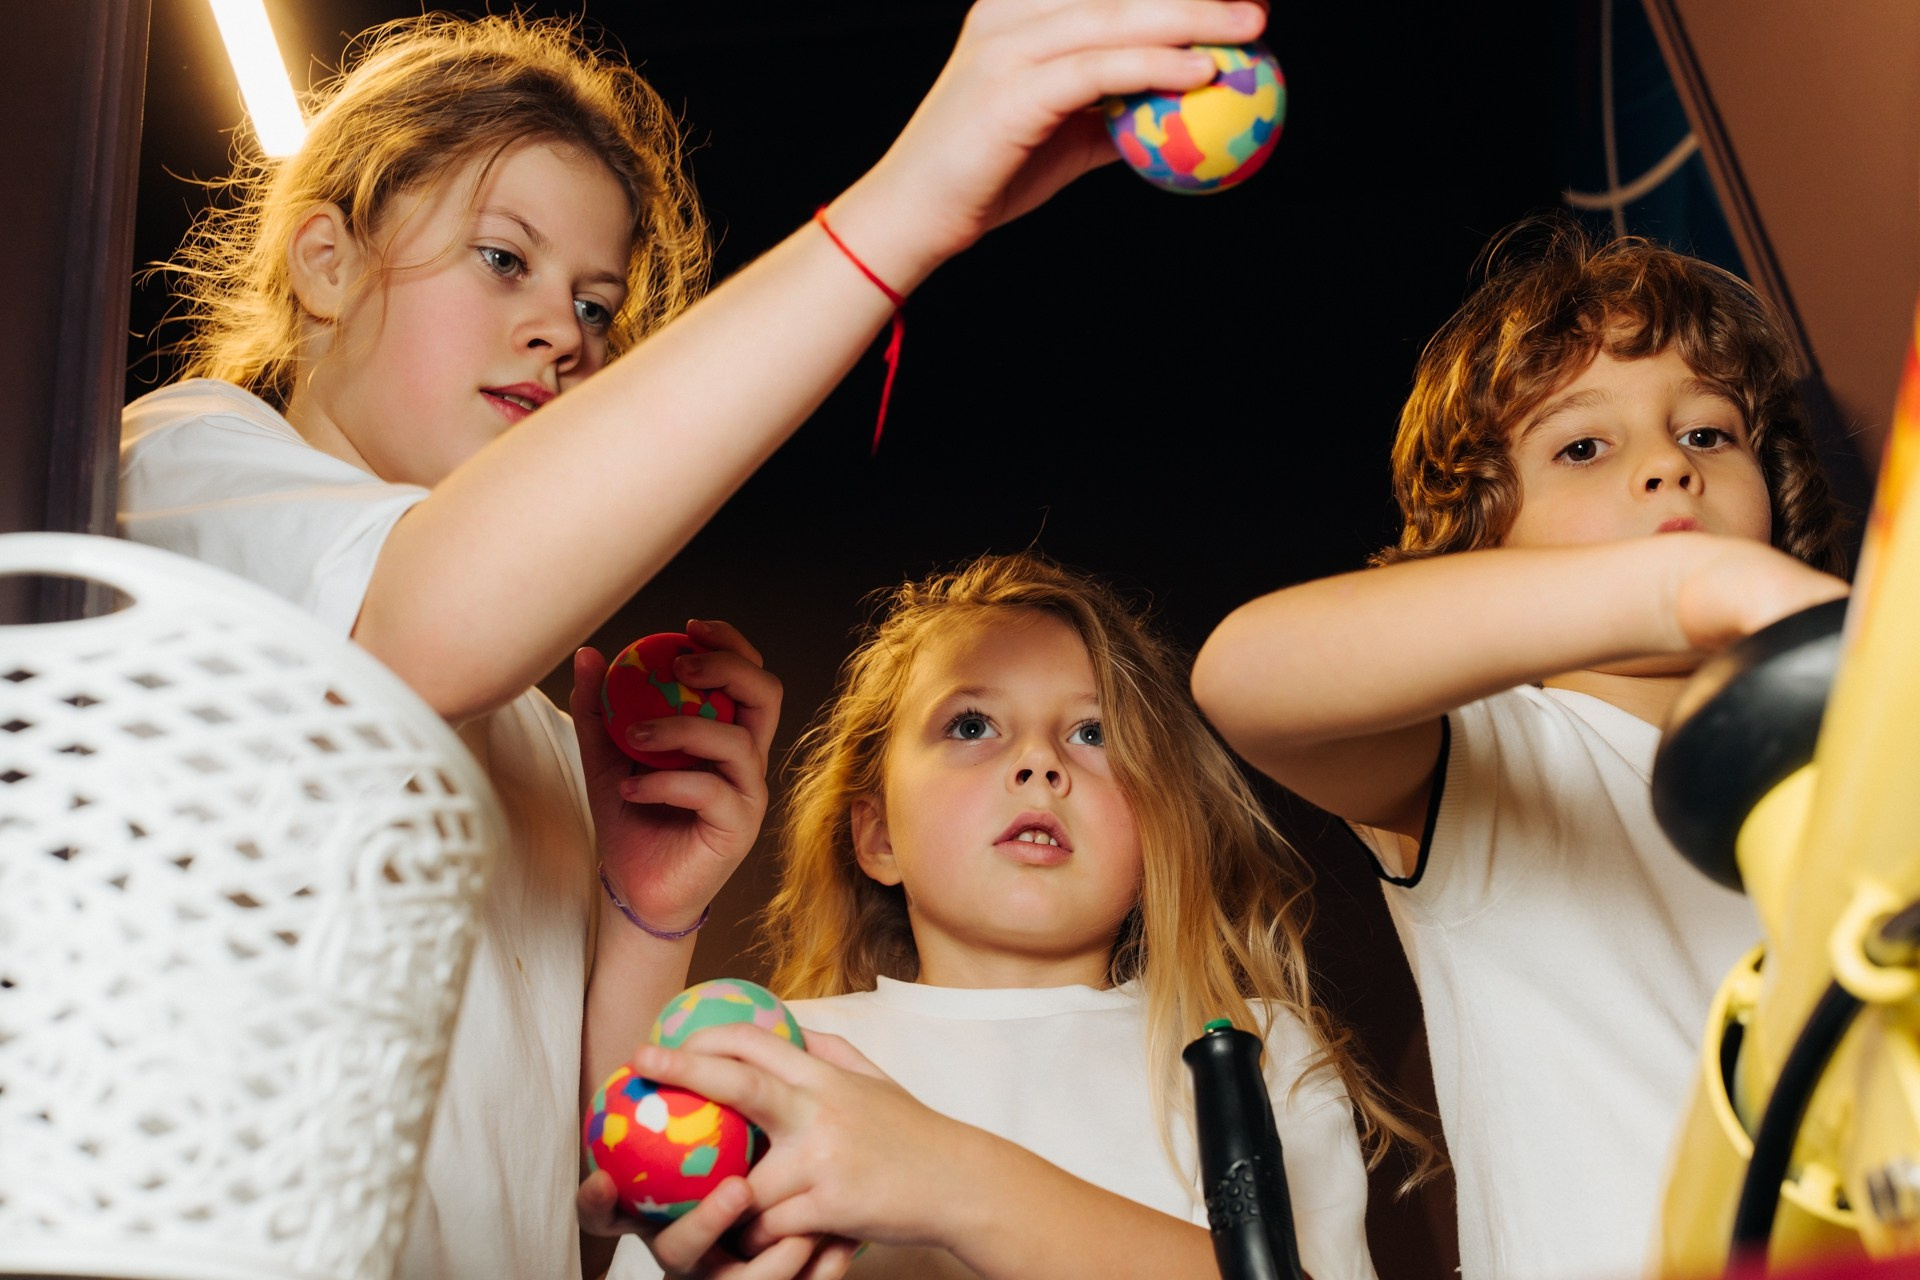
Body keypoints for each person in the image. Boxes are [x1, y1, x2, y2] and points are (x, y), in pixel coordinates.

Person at [117, 5, 1276, 1277]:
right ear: (325, 262)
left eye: (595, 302)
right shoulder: (186, 467)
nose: (564, 330)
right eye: (503, 260)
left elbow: (591, 1189)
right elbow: (418, 625)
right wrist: (911, 203)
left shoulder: (530, 732)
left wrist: (645, 909)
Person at [1189, 220, 1854, 1280]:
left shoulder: (1858, 779)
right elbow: (1245, 674)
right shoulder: (1498, 753)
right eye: (1583, 447)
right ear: (1483, 536)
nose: (1668, 468)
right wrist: (1680, 589)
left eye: (1708, 433)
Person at [592, 551, 1429, 1280]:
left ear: (1156, 835)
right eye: (972, 724)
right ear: (877, 835)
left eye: (1094, 734)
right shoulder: (772, 1061)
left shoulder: (1255, 1051)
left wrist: (948, 1178)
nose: (1039, 762)